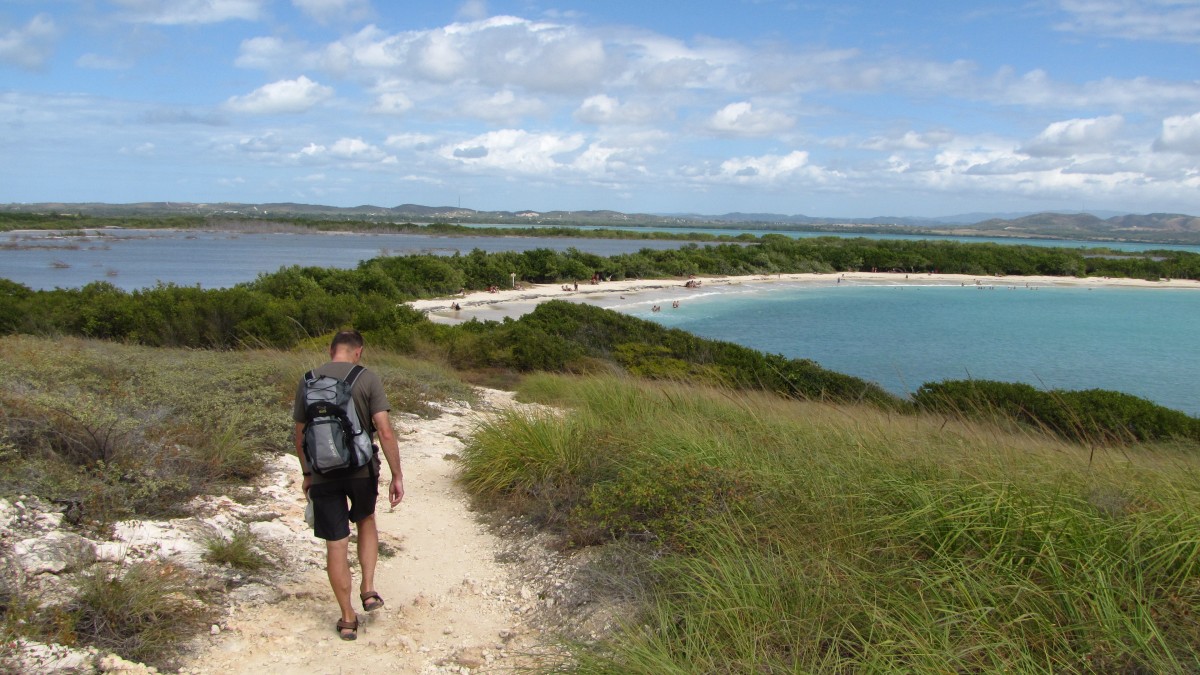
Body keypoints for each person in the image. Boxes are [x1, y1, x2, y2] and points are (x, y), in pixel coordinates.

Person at [293, 329, 405, 641]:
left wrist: (306, 474)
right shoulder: (367, 378)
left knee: (336, 544)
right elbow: (383, 430)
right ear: (358, 352)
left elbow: (300, 436)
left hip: (322, 474)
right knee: (366, 521)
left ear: (332, 351)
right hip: (361, 470)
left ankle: (346, 618)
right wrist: (397, 475)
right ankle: (368, 589)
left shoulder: (309, 380)